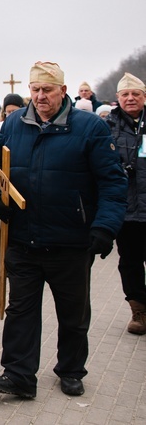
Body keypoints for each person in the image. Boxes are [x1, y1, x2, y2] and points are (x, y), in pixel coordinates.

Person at [0, 61, 126, 398]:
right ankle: (18, 375)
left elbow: (112, 183)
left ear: (63, 90)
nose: (40, 96)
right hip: (23, 238)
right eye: (35, 89)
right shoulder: (14, 123)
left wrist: (105, 227)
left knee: (73, 314)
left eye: (47, 90)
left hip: (71, 241)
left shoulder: (90, 128)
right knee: (21, 311)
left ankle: (71, 369)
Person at [105, 72, 146, 335]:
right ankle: (139, 311)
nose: (130, 98)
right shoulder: (106, 127)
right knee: (129, 262)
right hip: (126, 209)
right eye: (125, 94)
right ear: (117, 98)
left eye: (136, 94)